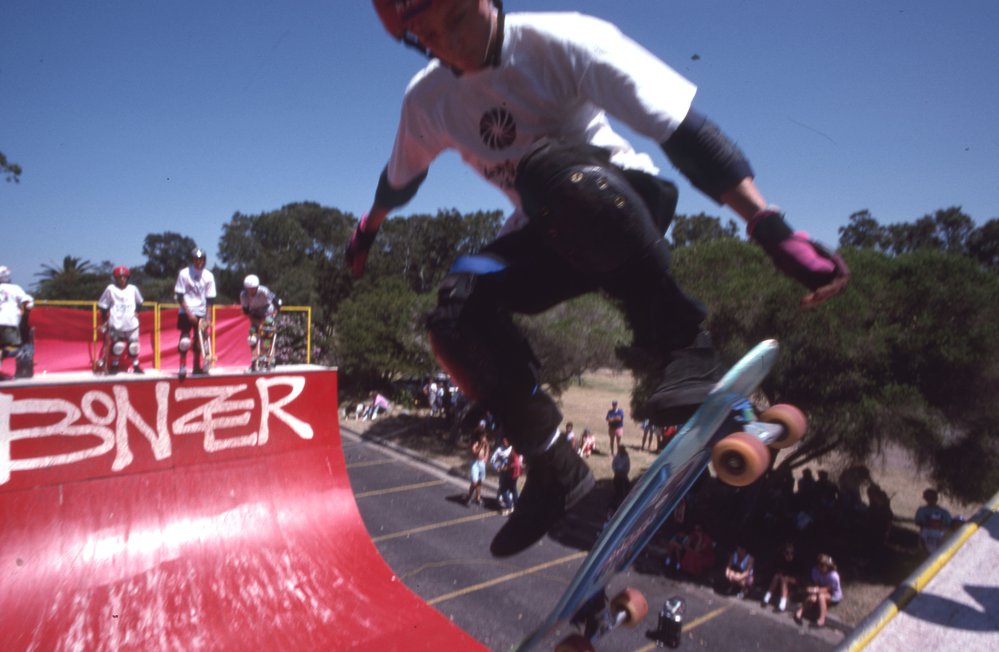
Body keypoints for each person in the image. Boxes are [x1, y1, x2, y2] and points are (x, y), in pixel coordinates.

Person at [351, 0, 849, 558]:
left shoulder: (562, 40)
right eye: (428, 36)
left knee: (547, 174)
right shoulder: (428, 99)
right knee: (456, 312)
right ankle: (554, 470)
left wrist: (768, 223)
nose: (450, 44)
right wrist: (367, 232)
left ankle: (687, 347)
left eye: (458, 19)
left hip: (620, 199)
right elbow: (400, 180)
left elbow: (684, 132)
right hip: (547, 235)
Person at [174, 248, 216, 378]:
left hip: (201, 311)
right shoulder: (184, 273)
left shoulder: (208, 276)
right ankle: (182, 366)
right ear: (193, 260)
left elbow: (210, 299)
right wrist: (189, 313)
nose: (199, 262)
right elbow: (179, 296)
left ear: (204, 260)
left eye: (201, 259)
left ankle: (196, 366)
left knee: (200, 341)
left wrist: (208, 317)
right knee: (185, 341)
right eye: (196, 259)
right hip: (186, 310)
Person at [96, 265, 144, 374]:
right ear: (115, 278)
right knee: (118, 346)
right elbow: (103, 306)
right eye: (119, 277)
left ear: (127, 278)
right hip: (117, 323)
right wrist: (104, 321)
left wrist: (137, 312)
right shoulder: (110, 289)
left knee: (134, 346)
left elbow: (140, 301)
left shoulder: (132, 289)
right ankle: (114, 366)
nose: (122, 279)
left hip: (131, 323)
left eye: (124, 277)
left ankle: (136, 366)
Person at [240, 274, 282, 371]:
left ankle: (270, 361)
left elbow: (276, 301)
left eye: (253, 288)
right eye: (249, 289)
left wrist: (275, 314)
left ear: (257, 287)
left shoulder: (264, 291)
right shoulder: (243, 295)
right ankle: (254, 361)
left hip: (268, 312)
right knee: (252, 337)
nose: (251, 291)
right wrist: (254, 320)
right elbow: (246, 310)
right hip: (255, 313)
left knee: (268, 335)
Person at [0, 265, 34, 379]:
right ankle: (5, 353)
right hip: (9, 321)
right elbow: (28, 303)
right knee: (15, 347)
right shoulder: (15, 288)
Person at [795, 554, 843, 627]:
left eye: (822, 566)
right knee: (812, 598)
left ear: (828, 566)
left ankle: (821, 620)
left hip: (833, 594)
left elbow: (828, 589)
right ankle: (799, 613)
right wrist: (814, 591)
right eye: (819, 565)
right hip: (821, 590)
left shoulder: (833, 576)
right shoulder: (815, 571)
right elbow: (817, 584)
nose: (820, 567)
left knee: (821, 596)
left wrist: (815, 590)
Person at [762, 542, 799, 612]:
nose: (789, 555)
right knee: (777, 576)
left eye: (792, 553)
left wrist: (789, 579)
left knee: (784, 579)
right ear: (784, 553)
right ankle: (766, 598)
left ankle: (782, 605)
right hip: (781, 581)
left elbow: (798, 578)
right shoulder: (780, 560)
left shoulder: (796, 562)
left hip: (792, 582)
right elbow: (776, 570)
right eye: (787, 553)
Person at [915, 488, 952, 554]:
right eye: (928, 497)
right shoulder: (922, 510)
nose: (930, 500)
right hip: (925, 536)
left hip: (939, 536)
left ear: (936, 498)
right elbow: (918, 522)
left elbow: (948, 525)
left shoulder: (944, 512)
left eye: (932, 498)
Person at [464, 429, 490, 506]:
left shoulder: (485, 442)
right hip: (475, 463)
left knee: (479, 481)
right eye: (483, 435)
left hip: (482, 463)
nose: (484, 437)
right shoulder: (474, 442)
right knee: (474, 482)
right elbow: (474, 452)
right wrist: (481, 444)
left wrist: (486, 457)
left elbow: (487, 449)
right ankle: (469, 497)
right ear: (479, 435)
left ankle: (477, 497)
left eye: (485, 435)